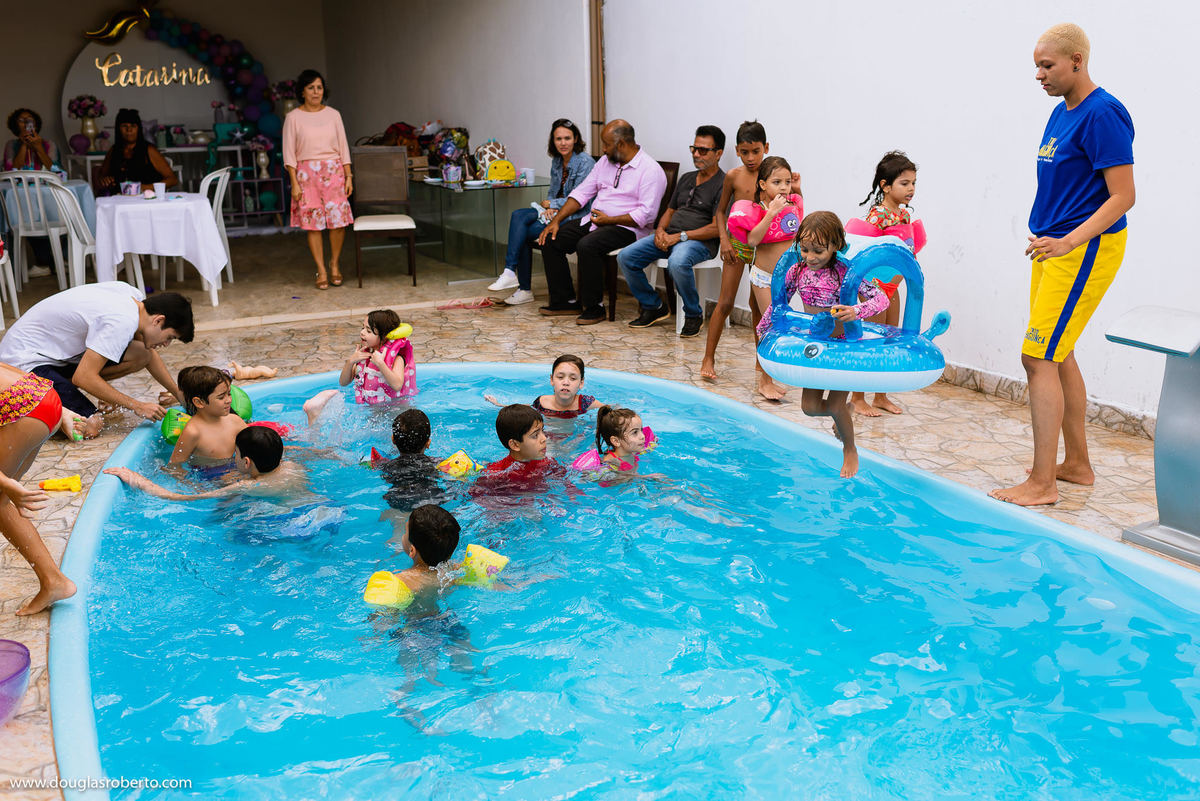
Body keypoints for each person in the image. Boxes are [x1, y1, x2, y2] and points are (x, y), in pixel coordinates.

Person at [989, 24, 1135, 507]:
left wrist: (1069, 241)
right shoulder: (1060, 112)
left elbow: (1123, 197)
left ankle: (1043, 485)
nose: (1039, 74)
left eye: (1047, 65)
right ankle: (1076, 465)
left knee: (1037, 357)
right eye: (1036, 65)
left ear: (1077, 60)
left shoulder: (1104, 114)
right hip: (1052, 249)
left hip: (1081, 251)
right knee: (1059, 351)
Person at [758, 212, 891, 478]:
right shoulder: (797, 271)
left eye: (818, 250)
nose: (810, 256)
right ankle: (846, 412)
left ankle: (850, 449)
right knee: (809, 407)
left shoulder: (846, 273)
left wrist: (856, 310)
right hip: (818, 343)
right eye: (804, 249)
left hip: (843, 346)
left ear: (835, 246)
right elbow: (779, 302)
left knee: (833, 405)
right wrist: (763, 328)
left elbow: (881, 299)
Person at [0, 282, 193, 437]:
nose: (166, 344)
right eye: (170, 337)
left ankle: (59, 389)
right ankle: (45, 400)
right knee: (92, 425)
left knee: (141, 353)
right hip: (21, 364)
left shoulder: (133, 298)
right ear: (158, 320)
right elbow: (83, 378)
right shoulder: (121, 321)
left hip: (52, 357)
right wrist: (137, 406)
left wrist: (178, 394)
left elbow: (149, 355)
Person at [701, 121, 800, 394]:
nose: (751, 158)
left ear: (766, 148)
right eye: (745, 152)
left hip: (764, 246)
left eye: (756, 151)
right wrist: (724, 240)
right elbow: (721, 212)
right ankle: (708, 357)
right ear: (737, 151)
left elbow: (792, 211)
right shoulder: (733, 176)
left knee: (759, 308)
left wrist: (796, 189)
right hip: (739, 244)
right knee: (725, 302)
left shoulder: (774, 176)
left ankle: (762, 366)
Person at [536, 119, 667, 325]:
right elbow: (582, 192)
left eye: (606, 144)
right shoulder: (606, 162)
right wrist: (557, 221)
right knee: (552, 238)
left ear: (622, 144)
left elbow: (646, 216)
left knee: (587, 245)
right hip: (596, 220)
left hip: (628, 228)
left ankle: (594, 307)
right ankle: (566, 301)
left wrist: (609, 220)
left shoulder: (650, 170)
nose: (603, 149)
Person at [617, 125, 726, 338]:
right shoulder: (687, 177)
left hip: (699, 242)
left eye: (703, 150)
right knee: (626, 257)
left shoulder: (723, 183)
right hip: (670, 236)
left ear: (718, 153)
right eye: (694, 148)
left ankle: (693, 314)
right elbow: (670, 210)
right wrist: (659, 230)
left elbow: (715, 227)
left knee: (677, 262)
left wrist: (680, 236)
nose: (696, 154)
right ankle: (654, 306)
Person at [0, 362, 79, 615]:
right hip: (43, 398)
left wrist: (6, 481)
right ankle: (53, 581)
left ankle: (53, 580)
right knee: (1, 502)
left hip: (23, 411)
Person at [489, 119, 594, 305]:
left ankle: (523, 288)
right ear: (553, 141)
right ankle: (509, 272)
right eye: (558, 138)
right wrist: (550, 207)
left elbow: (580, 198)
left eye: (567, 138)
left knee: (522, 234)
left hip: (574, 214)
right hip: (554, 210)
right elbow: (553, 191)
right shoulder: (557, 160)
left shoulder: (585, 162)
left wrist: (552, 204)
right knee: (518, 215)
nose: (563, 143)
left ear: (576, 139)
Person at [727, 156, 805, 400]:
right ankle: (765, 381)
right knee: (771, 327)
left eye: (786, 182)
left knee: (780, 325)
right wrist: (771, 213)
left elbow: (796, 231)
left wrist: (798, 189)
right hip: (764, 277)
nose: (783, 187)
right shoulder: (757, 210)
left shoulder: (793, 203)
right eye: (776, 182)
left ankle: (770, 374)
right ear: (762, 184)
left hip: (788, 278)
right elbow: (752, 240)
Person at [849, 151, 920, 417]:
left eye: (913, 183)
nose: (911, 188)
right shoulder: (877, 216)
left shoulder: (904, 216)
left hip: (893, 287)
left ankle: (880, 395)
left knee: (889, 339)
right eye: (904, 183)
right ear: (885, 186)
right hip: (875, 289)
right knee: (870, 340)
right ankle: (857, 397)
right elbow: (867, 252)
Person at [282, 69, 354, 290]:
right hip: (306, 175)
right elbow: (289, 153)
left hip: (334, 172)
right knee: (313, 225)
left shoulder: (334, 115)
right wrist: (294, 182)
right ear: (302, 91)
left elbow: (343, 146)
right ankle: (321, 270)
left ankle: (334, 264)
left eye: (319, 87)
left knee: (338, 222)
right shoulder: (293, 118)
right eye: (311, 87)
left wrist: (349, 175)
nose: (316, 92)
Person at [104, 426, 304, 500]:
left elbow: (181, 497)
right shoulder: (291, 467)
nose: (233, 457)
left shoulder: (249, 485)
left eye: (235, 453)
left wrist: (139, 481)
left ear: (246, 461)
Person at [303, 310, 416, 424]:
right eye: (362, 328)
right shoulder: (364, 356)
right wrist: (351, 361)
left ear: (384, 337)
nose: (362, 333)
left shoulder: (397, 358)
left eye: (368, 331)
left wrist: (380, 364)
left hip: (397, 414)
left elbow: (397, 385)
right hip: (374, 413)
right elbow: (343, 382)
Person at [168, 366, 246, 468]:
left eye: (229, 394)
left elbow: (256, 445)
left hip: (234, 466)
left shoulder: (235, 421)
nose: (229, 400)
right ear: (199, 402)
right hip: (208, 476)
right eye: (221, 397)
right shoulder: (193, 432)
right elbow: (174, 465)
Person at [484, 354, 600, 419]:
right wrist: (500, 405)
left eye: (573, 378)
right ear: (551, 380)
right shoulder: (543, 403)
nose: (566, 382)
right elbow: (526, 408)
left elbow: (612, 411)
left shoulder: (585, 403)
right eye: (560, 377)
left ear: (581, 383)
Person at [96, 108, 178, 194]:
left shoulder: (149, 150)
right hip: (120, 199)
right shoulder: (114, 150)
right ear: (118, 129)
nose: (129, 130)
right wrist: (105, 179)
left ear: (139, 129)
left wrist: (144, 188)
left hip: (145, 199)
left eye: (133, 126)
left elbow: (172, 180)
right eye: (124, 126)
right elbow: (102, 175)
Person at [379, 408, 447, 513]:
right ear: (428, 443)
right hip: (433, 500)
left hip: (398, 503)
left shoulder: (386, 466)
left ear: (393, 440)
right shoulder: (438, 463)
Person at [570, 405, 653, 475]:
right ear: (616, 441)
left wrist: (652, 445)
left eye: (641, 430)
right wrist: (644, 478)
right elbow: (615, 480)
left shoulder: (632, 451)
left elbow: (646, 449)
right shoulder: (611, 463)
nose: (642, 436)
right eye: (635, 432)